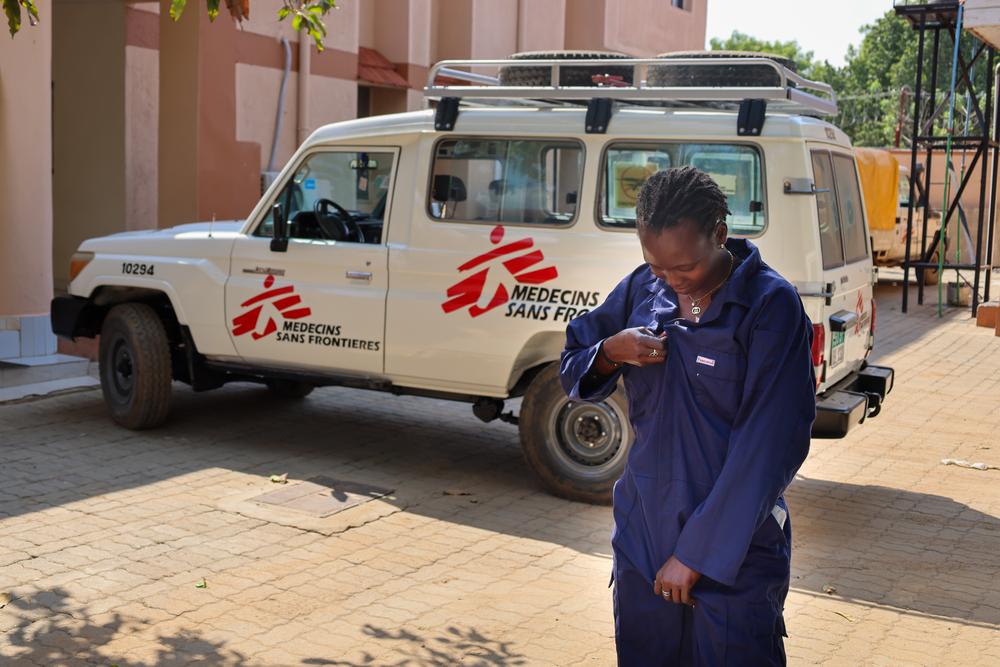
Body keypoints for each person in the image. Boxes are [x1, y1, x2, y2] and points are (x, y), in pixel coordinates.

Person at [560, 166, 816, 665]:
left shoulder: (770, 306)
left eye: (685, 268)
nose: (671, 281)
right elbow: (574, 364)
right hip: (644, 536)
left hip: (733, 550)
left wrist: (696, 554)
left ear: (719, 235)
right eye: (657, 267)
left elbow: (769, 446)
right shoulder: (642, 289)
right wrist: (612, 350)